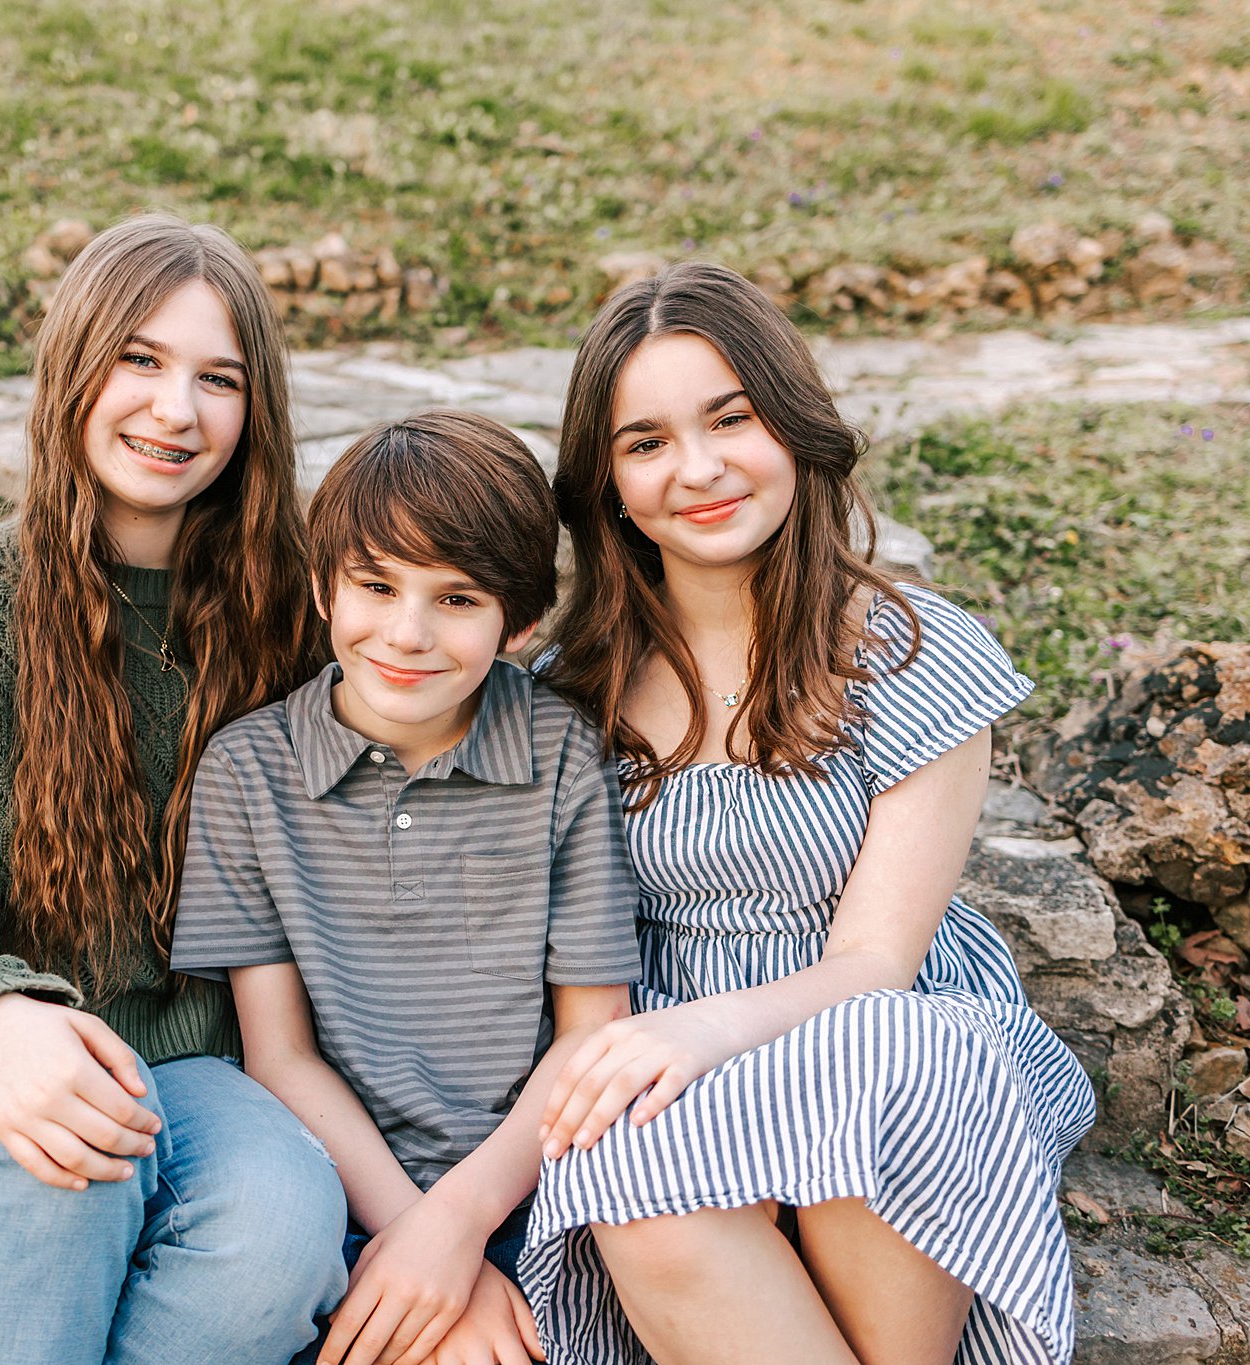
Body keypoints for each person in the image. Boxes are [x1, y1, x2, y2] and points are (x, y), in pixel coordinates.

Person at [523, 263, 1098, 1365]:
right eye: (643, 443)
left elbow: (877, 966)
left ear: (789, 425)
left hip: (879, 1040)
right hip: (668, 1061)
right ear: (606, 483)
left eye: (728, 418)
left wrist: (703, 1029)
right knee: (630, 1185)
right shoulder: (568, 689)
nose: (695, 469)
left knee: (870, 1067)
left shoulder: (912, 654)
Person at [0, 214, 349, 1364]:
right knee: (64, 1151)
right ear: (72, 367)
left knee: (283, 1248)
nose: (175, 410)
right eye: (140, 360)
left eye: (219, 379)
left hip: (193, 1078)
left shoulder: (292, 622)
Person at [169, 410, 643, 1365]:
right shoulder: (248, 769)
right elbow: (281, 1055)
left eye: (458, 599)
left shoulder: (563, 754)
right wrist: (419, 1238)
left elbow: (594, 1034)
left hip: (533, 1186)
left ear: (522, 622)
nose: (407, 633)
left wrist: (457, 1228)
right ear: (322, 585)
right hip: (342, 1192)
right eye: (376, 586)